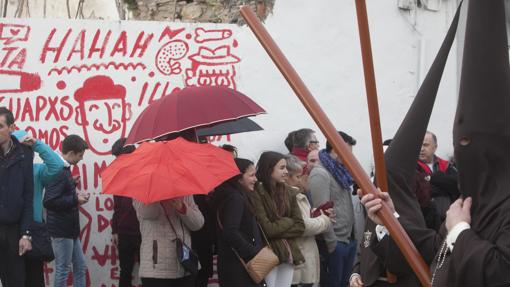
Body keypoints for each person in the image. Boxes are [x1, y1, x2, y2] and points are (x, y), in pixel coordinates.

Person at [12, 130, 64, 287]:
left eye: (26, 148)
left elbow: (57, 165)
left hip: (32, 230)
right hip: (9, 230)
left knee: (34, 278)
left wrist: (36, 144)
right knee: (14, 278)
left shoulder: (37, 170)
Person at [309, 131, 357, 287]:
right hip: (334, 243)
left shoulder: (340, 172)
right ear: (336, 150)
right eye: (347, 152)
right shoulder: (320, 173)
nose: (350, 157)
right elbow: (321, 211)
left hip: (348, 239)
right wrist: (332, 244)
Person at [251, 151, 305, 287]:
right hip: (268, 253)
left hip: (288, 253)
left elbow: (300, 226)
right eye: (282, 168)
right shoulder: (257, 193)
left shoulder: (290, 192)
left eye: (286, 167)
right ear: (269, 169)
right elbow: (267, 229)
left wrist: (279, 227)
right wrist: (288, 220)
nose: (286, 172)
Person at [44, 134, 90, 287]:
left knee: (80, 267)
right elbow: (49, 201)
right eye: (80, 155)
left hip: (69, 229)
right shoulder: (59, 170)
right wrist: (75, 199)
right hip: (62, 230)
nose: (81, 159)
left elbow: (58, 194)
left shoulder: (63, 169)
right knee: (63, 269)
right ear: (70, 153)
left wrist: (72, 184)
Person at [214, 158, 265, 287]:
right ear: (239, 178)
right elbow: (230, 231)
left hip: (234, 264)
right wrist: (252, 251)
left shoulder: (231, 196)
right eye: (251, 175)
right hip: (239, 266)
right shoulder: (235, 198)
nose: (256, 179)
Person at [133, 196, 204, 287]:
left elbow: (198, 224)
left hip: (184, 264)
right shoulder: (143, 190)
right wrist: (158, 193)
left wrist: (182, 207)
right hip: (156, 268)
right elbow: (149, 213)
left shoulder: (184, 191)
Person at [285, 155, 332, 287]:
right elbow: (302, 226)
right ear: (286, 177)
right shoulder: (289, 197)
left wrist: (315, 214)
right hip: (299, 259)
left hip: (303, 257)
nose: (300, 181)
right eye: (297, 177)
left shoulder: (297, 195)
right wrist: (324, 219)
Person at [0, 107, 33, 287]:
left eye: (0, 126)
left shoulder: (25, 153)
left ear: (12, 127)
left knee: (16, 281)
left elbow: (28, 196)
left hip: (14, 231)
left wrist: (25, 234)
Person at [110, 138, 141, 287]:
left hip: (143, 231)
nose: (118, 162)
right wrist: (114, 229)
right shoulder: (118, 175)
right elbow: (117, 206)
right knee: (125, 272)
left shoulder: (145, 171)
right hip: (124, 232)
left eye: (119, 158)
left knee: (148, 273)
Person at [417, 131, 459, 221]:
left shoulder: (447, 166)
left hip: (449, 218)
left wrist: (431, 180)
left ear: (435, 147)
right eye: (419, 145)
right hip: (424, 219)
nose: (421, 149)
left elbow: (458, 186)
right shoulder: (412, 167)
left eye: (425, 145)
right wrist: (444, 185)